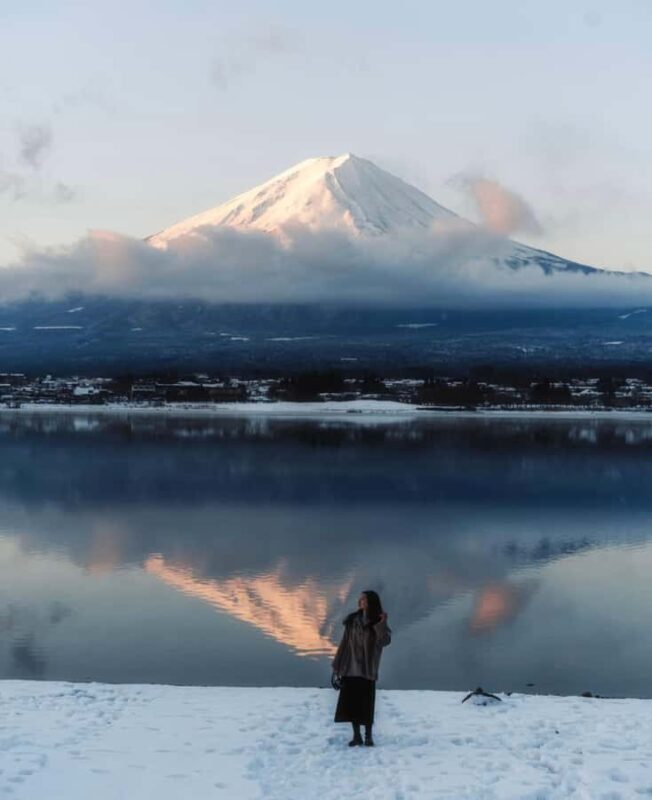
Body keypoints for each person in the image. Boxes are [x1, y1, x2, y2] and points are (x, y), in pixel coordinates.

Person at [332, 590, 391, 747]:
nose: (360, 601)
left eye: (364, 599)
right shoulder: (352, 621)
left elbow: (385, 641)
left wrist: (382, 624)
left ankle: (368, 736)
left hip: (367, 669)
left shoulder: (378, 621)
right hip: (350, 668)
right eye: (360, 599)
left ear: (371, 602)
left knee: (366, 703)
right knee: (352, 703)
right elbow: (344, 644)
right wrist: (337, 666)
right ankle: (356, 735)